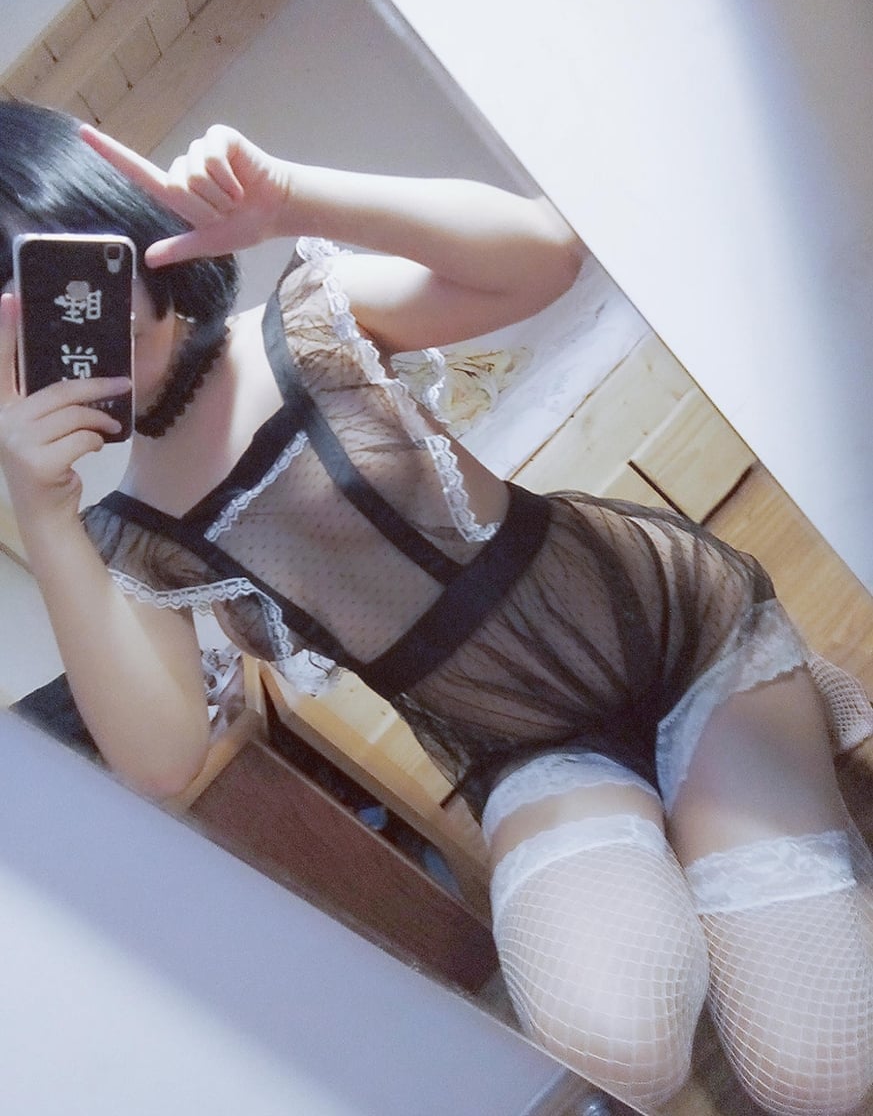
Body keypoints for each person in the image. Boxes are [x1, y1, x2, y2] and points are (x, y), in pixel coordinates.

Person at [1, 99, 872, 1115]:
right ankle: (700, 804)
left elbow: (544, 256)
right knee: (613, 1051)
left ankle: (779, 712)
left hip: (685, 641)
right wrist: (42, 511)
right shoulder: (133, 534)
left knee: (817, 1069)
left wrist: (292, 197)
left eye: (42, 274)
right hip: (521, 746)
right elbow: (160, 759)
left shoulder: (306, 322)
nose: (45, 321)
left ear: (107, 226)